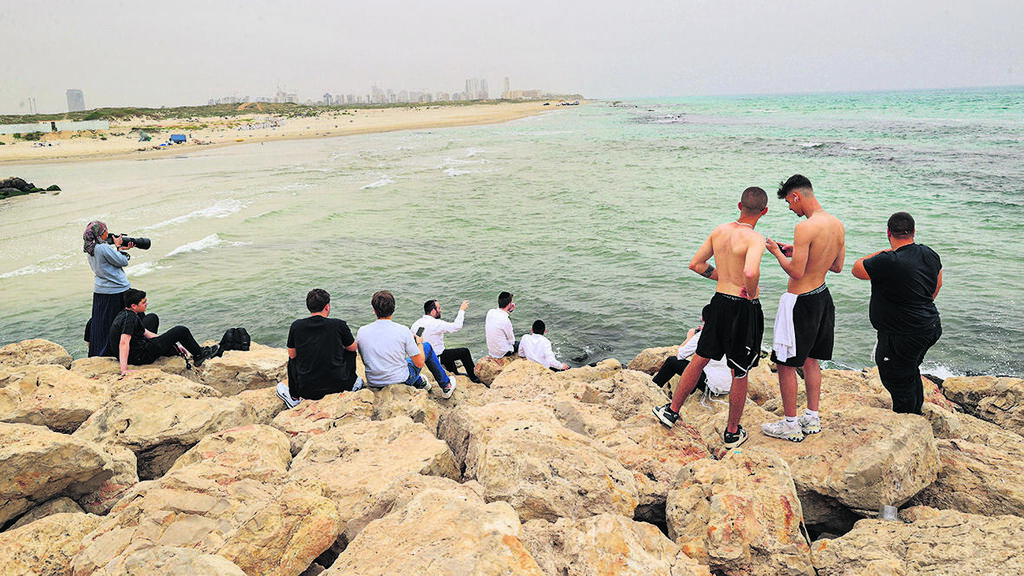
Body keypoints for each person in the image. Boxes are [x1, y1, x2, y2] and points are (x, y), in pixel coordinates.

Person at [651, 186, 768, 448]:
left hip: (719, 302)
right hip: (742, 308)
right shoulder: (756, 238)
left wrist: (723, 277)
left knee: (700, 358)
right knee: (740, 369)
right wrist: (750, 292)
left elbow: (696, 264)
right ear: (765, 211)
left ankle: (672, 411)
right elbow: (750, 272)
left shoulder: (720, 231)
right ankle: (732, 432)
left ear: (739, 206)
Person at [761, 175, 846, 442]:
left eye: (788, 202)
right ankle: (812, 417)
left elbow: (796, 272)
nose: (790, 208)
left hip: (799, 302)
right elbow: (836, 266)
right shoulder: (837, 224)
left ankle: (789, 424)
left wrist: (776, 251)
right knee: (812, 360)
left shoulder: (805, 227)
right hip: (822, 296)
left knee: (785, 364)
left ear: (797, 196)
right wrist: (797, 249)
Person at [852, 212, 942, 415]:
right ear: (913, 232)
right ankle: (916, 412)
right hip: (930, 326)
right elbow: (938, 283)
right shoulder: (929, 254)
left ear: (888, 232)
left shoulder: (888, 260)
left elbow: (857, 269)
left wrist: (883, 252)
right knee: (909, 371)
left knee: (896, 377)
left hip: (902, 334)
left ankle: (908, 419)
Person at [357, 290, 455, 398]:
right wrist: (419, 343)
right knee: (426, 347)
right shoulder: (403, 330)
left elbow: (364, 358)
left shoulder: (362, 331)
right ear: (393, 309)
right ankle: (446, 385)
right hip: (400, 381)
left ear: (374, 311)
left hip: (374, 382)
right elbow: (419, 363)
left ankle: (420, 382)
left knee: (402, 362)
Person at [276, 288, 359, 409]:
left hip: (306, 390)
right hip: (339, 387)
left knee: (292, 358)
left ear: (308, 307)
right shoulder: (338, 325)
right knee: (349, 351)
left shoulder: (296, 326)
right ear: (327, 307)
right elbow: (353, 348)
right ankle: (352, 383)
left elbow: (292, 354)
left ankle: (294, 397)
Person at [107, 288, 218, 376]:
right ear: (133, 306)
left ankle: (168, 348)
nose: (147, 304)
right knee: (181, 330)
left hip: (134, 348)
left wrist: (169, 343)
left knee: (152, 317)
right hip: (139, 356)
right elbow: (124, 342)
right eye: (143, 302)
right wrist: (124, 369)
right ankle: (199, 355)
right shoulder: (130, 319)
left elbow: (145, 332)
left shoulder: (125, 313)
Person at [84, 220, 135, 357]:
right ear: (101, 233)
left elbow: (108, 262)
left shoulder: (90, 248)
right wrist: (119, 248)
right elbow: (123, 262)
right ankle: (125, 350)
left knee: (102, 323)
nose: (108, 232)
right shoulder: (103, 248)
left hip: (101, 291)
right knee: (125, 320)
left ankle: (100, 351)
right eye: (105, 230)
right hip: (117, 290)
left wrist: (117, 250)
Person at [411, 299, 483, 384]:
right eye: (439, 308)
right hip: (437, 358)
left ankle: (455, 372)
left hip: (423, 357)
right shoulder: (436, 323)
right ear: (433, 311)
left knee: (446, 351)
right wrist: (462, 310)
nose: (440, 310)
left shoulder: (415, 324)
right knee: (464, 352)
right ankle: (474, 378)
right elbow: (457, 326)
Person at [652, 324, 732, 396]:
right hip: (730, 386)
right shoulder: (733, 331)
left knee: (671, 362)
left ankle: (653, 388)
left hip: (712, 388)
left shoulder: (705, 334)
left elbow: (680, 355)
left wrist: (690, 337)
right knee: (699, 363)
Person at [485, 291, 518, 358]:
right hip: (503, 353)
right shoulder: (506, 320)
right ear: (509, 305)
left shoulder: (490, 312)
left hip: (492, 351)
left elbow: (503, 313)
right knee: (521, 344)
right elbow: (512, 341)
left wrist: (509, 310)